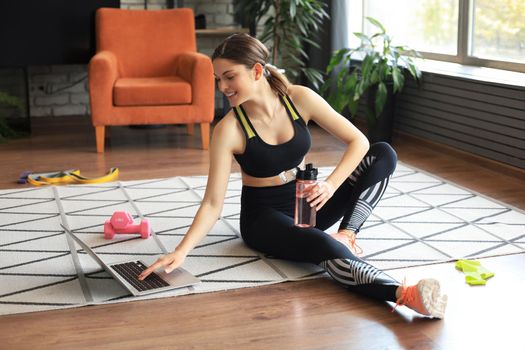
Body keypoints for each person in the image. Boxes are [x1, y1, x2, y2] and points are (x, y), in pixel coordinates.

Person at [139, 33, 447, 318]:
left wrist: (330, 184)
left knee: (383, 154)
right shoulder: (229, 130)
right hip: (265, 218)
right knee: (323, 249)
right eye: (218, 79)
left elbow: (359, 142)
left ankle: (348, 234)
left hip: (307, 201)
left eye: (229, 77)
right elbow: (212, 204)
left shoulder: (298, 98)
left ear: (257, 71)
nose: (222, 87)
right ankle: (405, 294)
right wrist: (181, 251)